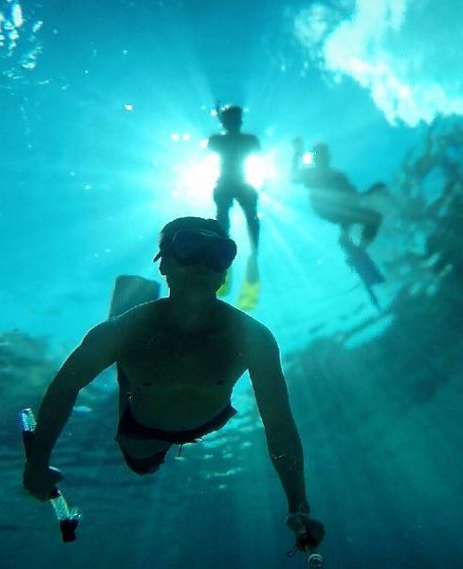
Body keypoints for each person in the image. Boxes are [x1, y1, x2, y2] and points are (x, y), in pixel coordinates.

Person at [22, 216, 325, 552]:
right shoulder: (123, 330)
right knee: (141, 466)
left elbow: (279, 423)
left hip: (209, 421)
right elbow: (66, 386)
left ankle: (130, 368)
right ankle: (128, 375)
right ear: (163, 263)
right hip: (142, 430)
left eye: (218, 253)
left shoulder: (253, 338)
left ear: (225, 270)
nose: (202, 262)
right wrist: (36, 462)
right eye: (189, 247)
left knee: (134, 360)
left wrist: (299, 505)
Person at [291, 138, 384, 250]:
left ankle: (347, 235)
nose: (324, 157)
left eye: (325, 154)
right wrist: (297, 154)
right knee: (372, 218)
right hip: (327, 208)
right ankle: (355, 243)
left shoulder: (338, 175)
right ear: (316, 158)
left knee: (369, 216)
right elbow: (294, 177)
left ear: (328, 157)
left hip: (337, 209)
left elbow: (355, 196)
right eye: (321, 154)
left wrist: (370, 192)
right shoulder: (311, 173)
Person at [208, 105, 261, 253]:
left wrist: (222, 119)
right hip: (233, 183)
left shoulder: (221, 140)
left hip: (232, 183)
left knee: (246, 217)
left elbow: (214, 144)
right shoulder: (248, 140)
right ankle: (228, 245)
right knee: (233, 216)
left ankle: (225, 245)